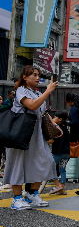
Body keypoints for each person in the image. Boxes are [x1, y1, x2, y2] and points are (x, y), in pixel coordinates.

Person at [5, 66, 59, 210]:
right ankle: (16, 198)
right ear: (24, 77)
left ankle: (31, 194)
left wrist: (54, 126)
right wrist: (48, 91)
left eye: (38, 75)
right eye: (33, 75)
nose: (37, 78)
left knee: (46, 161)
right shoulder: (21, 90)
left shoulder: (36, 92)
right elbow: (32, 106)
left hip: (36, 136)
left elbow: (43, 112)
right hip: (21, 134)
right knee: (18, 164)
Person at [48, 111, 71, 195]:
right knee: (62, 170)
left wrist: (44, 141)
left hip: (57, 152)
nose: (53, 119)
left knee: (50, 167)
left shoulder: (57, 128)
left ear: (60, 119)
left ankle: (57, 185)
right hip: (66, 152)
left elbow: (53, 140)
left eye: (55, 117)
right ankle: (62, 188)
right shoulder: (67, 127)